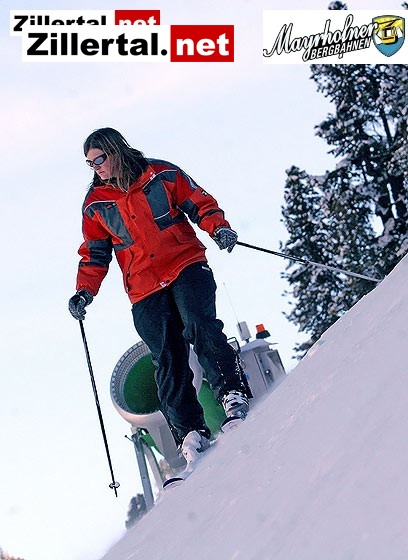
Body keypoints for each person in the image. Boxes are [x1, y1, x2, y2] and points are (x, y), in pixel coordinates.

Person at [68, 127, 249, 466]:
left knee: (200, 325)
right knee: (167, 356)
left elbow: (199, 202)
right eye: (90, 163)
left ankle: (231, 392)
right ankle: (189, 432)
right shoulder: (95, 205)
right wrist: (84, 291)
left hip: (185, 264)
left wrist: (219, 228)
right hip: (144, 287)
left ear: (116, 150)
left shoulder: (160, 174)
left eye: (100, 159)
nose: (96, 167)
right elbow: (94, 253)